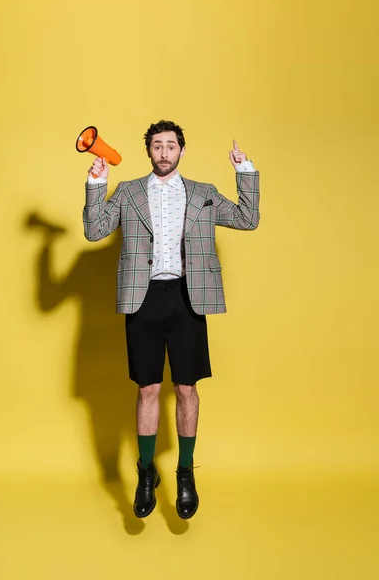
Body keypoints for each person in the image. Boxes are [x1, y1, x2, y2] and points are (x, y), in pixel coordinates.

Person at [83, 120, 260, 520]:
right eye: (157, 146)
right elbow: (94, 231)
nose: (164, 152)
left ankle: (184, 471)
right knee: (147, 389)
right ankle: (146, 473)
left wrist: (244, 169)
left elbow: (249, 218)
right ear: (148, 151)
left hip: (187, 298)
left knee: (186, 388)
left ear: (182, 150)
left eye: (171, 146)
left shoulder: (203, 194)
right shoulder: (127, 192)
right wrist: (97, 182)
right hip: (142, 298)